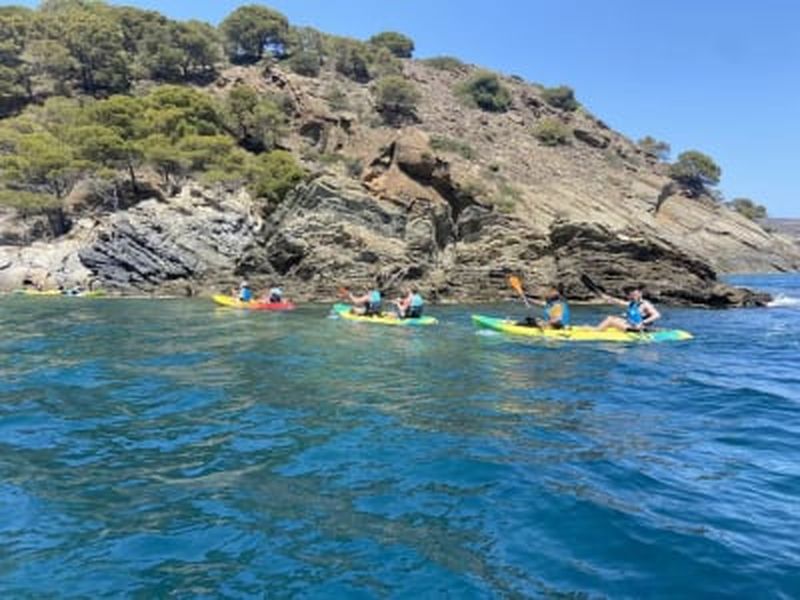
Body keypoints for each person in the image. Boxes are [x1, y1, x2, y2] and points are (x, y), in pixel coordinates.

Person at [596, 287, 661, 332]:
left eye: (635, 295)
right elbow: (619, 302)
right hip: (631, 325)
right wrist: (608, 298)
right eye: (632, 295)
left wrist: (643, 322)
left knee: (610, 320)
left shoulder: (645, 304)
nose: (633, 296)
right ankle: (600, 329)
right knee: (612, 317)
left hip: (638, 329)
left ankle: (596, 332)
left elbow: (657, 315)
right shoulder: (632, 304)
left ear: (640, 294)